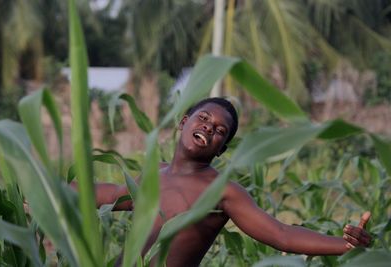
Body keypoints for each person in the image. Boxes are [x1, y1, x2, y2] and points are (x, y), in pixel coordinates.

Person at [79, 97, 371, 267]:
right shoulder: (154, 174)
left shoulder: (222, 191)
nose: (209, 126)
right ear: (183, 123)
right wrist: (45, 192)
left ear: (221, 149)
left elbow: (280, 233)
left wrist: (344, 245)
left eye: (220, 130)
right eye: (203, 118)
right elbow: (109, 194)